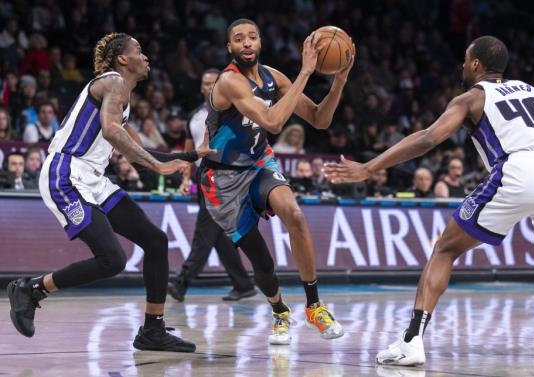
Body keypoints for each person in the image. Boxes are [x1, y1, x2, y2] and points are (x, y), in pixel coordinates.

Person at [324, 36, 534, 364]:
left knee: (445, 249)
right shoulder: (533, 94)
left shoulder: (470, 99)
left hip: (519, 171)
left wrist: (369, 167)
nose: (463, 66)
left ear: (476, 64)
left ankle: (411, 341)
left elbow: (428, 138)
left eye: (466, 61)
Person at [6, 33, 214, 353]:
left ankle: (152, 330)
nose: (146, 57)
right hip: (66, 173)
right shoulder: (114, 81)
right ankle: (31, 289)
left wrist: (182, 159)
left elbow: (130, 146)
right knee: (112, 260)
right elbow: (111, 130)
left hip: (94, 177)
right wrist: (158, 167)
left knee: (155, 241)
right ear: (121, 59)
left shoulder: (122, 94)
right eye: (139, 51)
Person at [203, 18, 354, 344]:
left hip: (258, 164)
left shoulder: (274, 78)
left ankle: (314, 306)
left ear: (259, 43)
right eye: (239, 39)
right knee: (263, 263)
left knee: (294, 214)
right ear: (230, 47)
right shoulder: (229, 82)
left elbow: (319, 119)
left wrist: (338, 80)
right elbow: (272, 121)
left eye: (252, 37)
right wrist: (306, 72)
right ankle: (280, 311)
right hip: (224, 179)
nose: (246, 43)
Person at [168, 68, 256, 303]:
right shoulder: (195, 116)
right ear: (201, 87)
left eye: (213, 83)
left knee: (205, 230)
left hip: (225, 175)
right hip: (202, 175)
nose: (209, 87)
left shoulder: (233, 111)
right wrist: (186, 178)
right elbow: (189, 150)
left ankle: (181, 282)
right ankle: (243, 284)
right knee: (216, 235)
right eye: (205, 83)